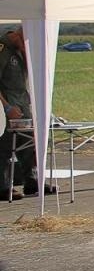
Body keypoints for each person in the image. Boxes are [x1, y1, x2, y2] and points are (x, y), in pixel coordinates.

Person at [1, 28, 48, 198]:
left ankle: (32, 181)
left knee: (29, 143)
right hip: (7, 106)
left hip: (23, 104)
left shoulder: (20, 51)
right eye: (24, 43)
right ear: (16, 36)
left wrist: (26, 54)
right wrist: (6, 107)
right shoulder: (3, 49)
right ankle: (3, 186)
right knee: (5, 146)